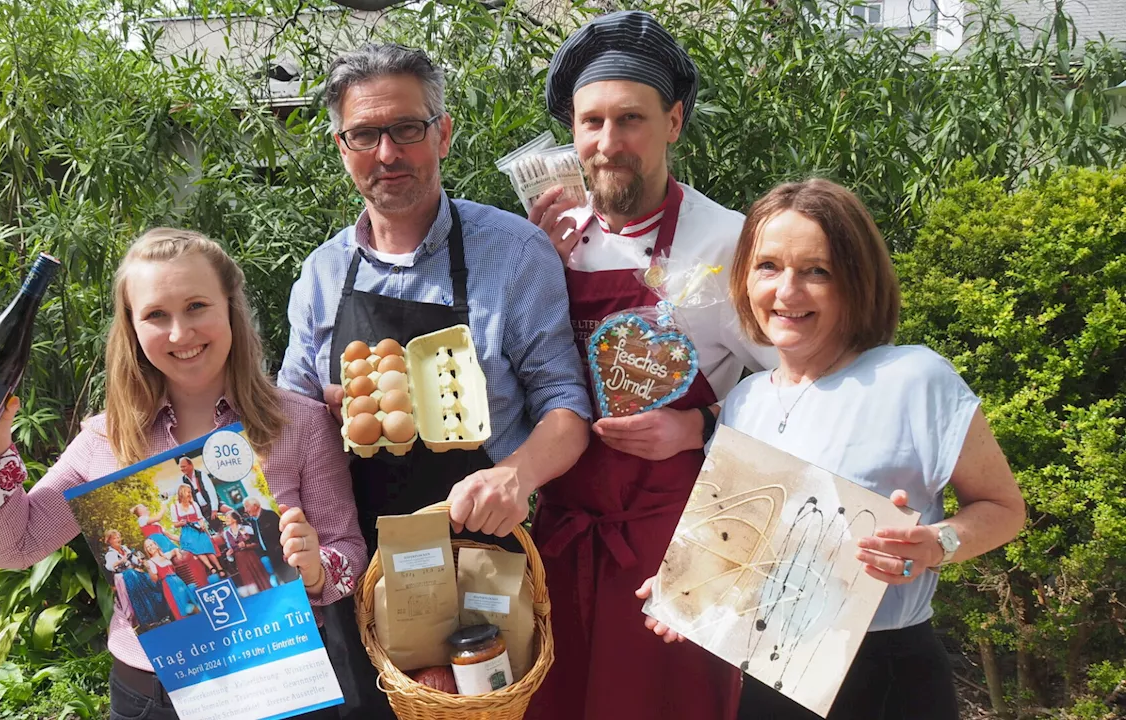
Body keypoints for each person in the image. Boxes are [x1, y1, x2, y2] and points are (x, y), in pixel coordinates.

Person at [277, 43, 592, 719]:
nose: (386, 153)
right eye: (364, 134)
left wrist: (516, 476)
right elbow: (288, 426)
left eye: (407, 129)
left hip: (481, 558)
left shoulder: (513, 254)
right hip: (358, 567)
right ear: (341, 146)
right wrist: (319, 418)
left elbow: (567, 409)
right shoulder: (321, 277)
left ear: (443, 133)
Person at [0, 228, 366, 720]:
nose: (181, 333)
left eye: (197, 305)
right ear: (133, 329)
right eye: (157, 315)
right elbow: (16, 547)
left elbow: (348, 552)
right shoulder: (106, 440)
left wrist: (314, 567)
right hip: (153, 699)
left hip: (281, 688)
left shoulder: (302, 424)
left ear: (230, 307)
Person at [636, 179, 1027, 720]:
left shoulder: (914, 378)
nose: (787, 292)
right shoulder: (746, 400)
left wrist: (939, 542)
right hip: (764, 679)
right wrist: (693, 584)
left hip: (885, 679)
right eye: (768, 266)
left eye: (816, 271)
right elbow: (753, 545)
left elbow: (1006, 509)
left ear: (857, 279)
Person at [523, 11, 778, 720]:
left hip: (684, 545)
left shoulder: (732, 243)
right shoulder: (543, 243)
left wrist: (698, 425)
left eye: (630, 119)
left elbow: (800, 395)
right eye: (591, 122)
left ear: (674, 120)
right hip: (562, 542)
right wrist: (529, 268)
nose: (608, 144)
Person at [103, 529, 168, 628]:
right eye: (115, 538)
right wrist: (121, 561)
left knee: (150, 580)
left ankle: (160, 613)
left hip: (133, 573)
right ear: (110, 541)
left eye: (118, 537)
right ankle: (148, 620)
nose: (118, 539)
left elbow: (134, 559)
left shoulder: (124, 548)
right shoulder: (110, 554)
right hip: (123, 576)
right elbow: (109, 566)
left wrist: (140, 561)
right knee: (134, 581)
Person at [169, 484, 224, 579]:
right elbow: (174, 524)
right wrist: (180, 523)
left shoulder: (193, 504)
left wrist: (202, 524)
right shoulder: (174, 507)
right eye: (188, 492)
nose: (190, 494)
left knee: (206, 545)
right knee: (196, 547)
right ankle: (211, 568)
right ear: (181, 493)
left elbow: (200, 518)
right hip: (187, 532)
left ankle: (219, 567)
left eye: (190, 492)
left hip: (198, 528)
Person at [243, 497, 301, 586]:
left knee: (292, 578)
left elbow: (282, 533)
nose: (245, 510)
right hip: (270, 556)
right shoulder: (253, 521)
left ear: (255, 506)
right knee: (284, 580)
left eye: (247, 506)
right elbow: (259, 538)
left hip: (280, 553)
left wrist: (285, 552)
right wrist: (249, 538)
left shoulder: (270, 515)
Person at [142, 538, 199, 621]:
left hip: (179, 581)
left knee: (191, 601)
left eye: (151, 544)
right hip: (169, 586)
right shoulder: (151, 562)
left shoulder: (165, 556)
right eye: (147, 547)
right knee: (181, 607)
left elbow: (175, 549)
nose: (150, 547)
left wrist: (178, 554)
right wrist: (149, 569)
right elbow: (155, 579)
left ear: (156, 545)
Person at [221, 510, 271, 596]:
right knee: (249, 580)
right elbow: (230, 548)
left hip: (251, 556)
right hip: (240, 560)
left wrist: (246, 545)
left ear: (235, 519)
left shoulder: (245, 528)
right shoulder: (226, 533)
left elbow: (256, 543)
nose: (226, 520)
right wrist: (229, 554)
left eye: (228, 518)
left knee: (260, 577)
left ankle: (270, 594)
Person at [177, 455, 228, 532]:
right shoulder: (182, 480)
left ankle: (245, 527)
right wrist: (166, 494)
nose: (182, 469)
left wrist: (214, 509)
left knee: (229, 510)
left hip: (213, 503)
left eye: (184, 466)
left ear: (191, 465)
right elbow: (175, 489)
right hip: (203, 510)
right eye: (181, 467)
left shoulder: (201, 474)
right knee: (219, 529)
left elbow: (211, 492)